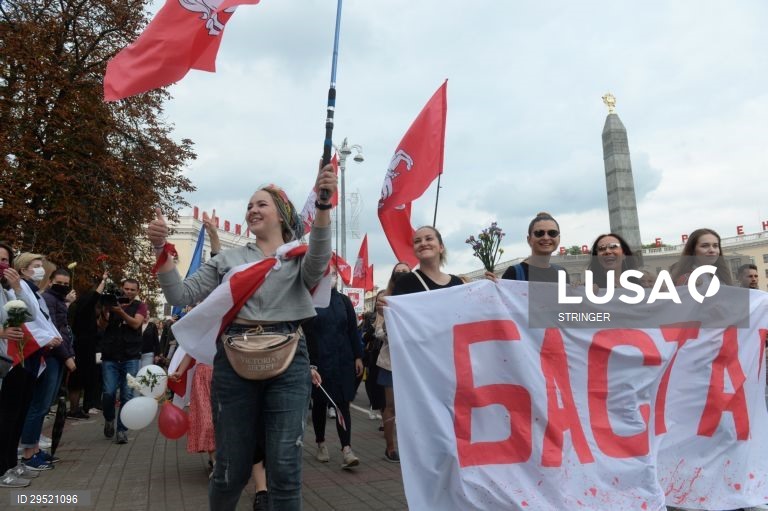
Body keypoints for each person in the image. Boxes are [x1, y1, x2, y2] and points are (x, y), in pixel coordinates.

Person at [149, 163, 336, 511]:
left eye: (261, 204)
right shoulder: (228, 260)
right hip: (233, 359)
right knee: (229, 470)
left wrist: (324, 205)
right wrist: (161, 247)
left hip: (290, 358)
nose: (252, 210)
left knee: (285, 467)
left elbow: (320, 256)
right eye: (249, 205)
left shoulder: (298, 258)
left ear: (282, 215)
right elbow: (180, 295)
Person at [381, 227, 463, 462]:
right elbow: (397, 329)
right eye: (417, 241)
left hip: (452, 366)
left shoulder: (457, 283)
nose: (423, 243)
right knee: (429, 427)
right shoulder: (407, 283)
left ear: (441, 246)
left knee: (454, 425)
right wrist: (387, 313)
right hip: (422, 368)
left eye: (429, 238)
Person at [19, 267, 77, 468]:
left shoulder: (57, 300)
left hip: (58, 357)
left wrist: (69, 353)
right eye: (59, 283)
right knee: (39, 406)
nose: (62, 286)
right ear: (51, 281)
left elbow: (64, 331)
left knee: (44, 406)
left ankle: (34, 449)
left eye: (65, 284)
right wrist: (67, 356)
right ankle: (28, 454)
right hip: (51, 356)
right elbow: (52, 331)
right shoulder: (48, 299)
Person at [305, 282, 364, 469]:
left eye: (331, 272)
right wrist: (309, 362)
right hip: (320, 360)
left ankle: (347, 449)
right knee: (320, 403)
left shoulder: (344, 301)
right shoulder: (310, 300)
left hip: (343, 360)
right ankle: (321, 443)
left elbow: (353, 330)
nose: (329, 276)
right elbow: (306, 334)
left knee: (343, 402)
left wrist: (358, 356)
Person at [0, 243, 44, 487]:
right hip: (4, 359)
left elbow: (30, 315)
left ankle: (10, 464)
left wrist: (17, 288)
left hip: (15, 359)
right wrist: (1, 332)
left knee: (16, 415)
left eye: (5, 260)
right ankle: (2, 470)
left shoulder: (7, 289)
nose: (2, 264)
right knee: (5, 417)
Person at [100, 278, 147, 445]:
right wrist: (105, 310)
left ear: (137, 291)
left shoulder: (140, 306)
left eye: (132, 290)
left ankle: (122, 430)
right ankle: (109, 418)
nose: (129, 292)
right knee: (108, 392)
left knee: (127, 394)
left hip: (131, 356)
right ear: (122, 288)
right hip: (110, 355)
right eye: (126, 289)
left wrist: (120, 312)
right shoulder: (112, 303)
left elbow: (136, 324)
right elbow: (102, 325)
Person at [488, 212, 569, 283]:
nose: (546, 237)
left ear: (559, 238)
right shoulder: (514, 273)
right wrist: (494, 287)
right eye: (539, 233)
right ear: (529, 239)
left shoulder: (561, 274)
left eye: (552, 233)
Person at [68, 271, 108, 414]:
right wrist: (103, 281)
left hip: (86, 346)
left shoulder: (83, 307)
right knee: (77, 379)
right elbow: (95, 295)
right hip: (82, 347)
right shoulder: (84, 305)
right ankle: (74, 409)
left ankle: (79, 408)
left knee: (83, 378)